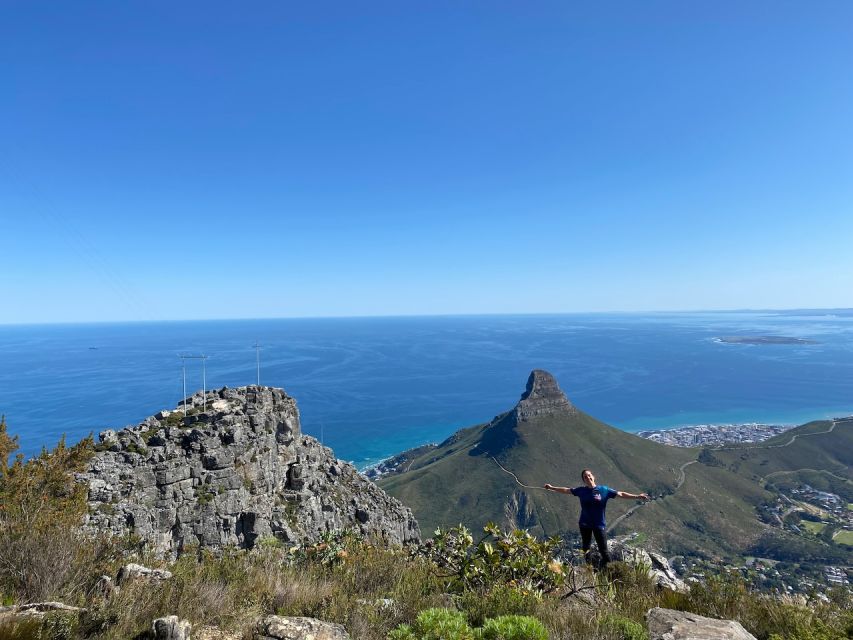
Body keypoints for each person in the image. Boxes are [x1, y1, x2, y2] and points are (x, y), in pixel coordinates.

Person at [543, 469, 649, 568]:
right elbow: (567, 490)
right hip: (584, 524)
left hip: (599, 525)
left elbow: (621, 494)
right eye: (585, 477)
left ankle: (610, 572)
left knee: (604, 552)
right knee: (586, 549)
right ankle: (590, 570)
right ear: (583, 480)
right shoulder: (581, 491)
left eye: (589, 475)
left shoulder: (604, 490)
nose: (588, 478)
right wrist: (552, 488)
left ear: (593, 477)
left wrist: (637, 496)